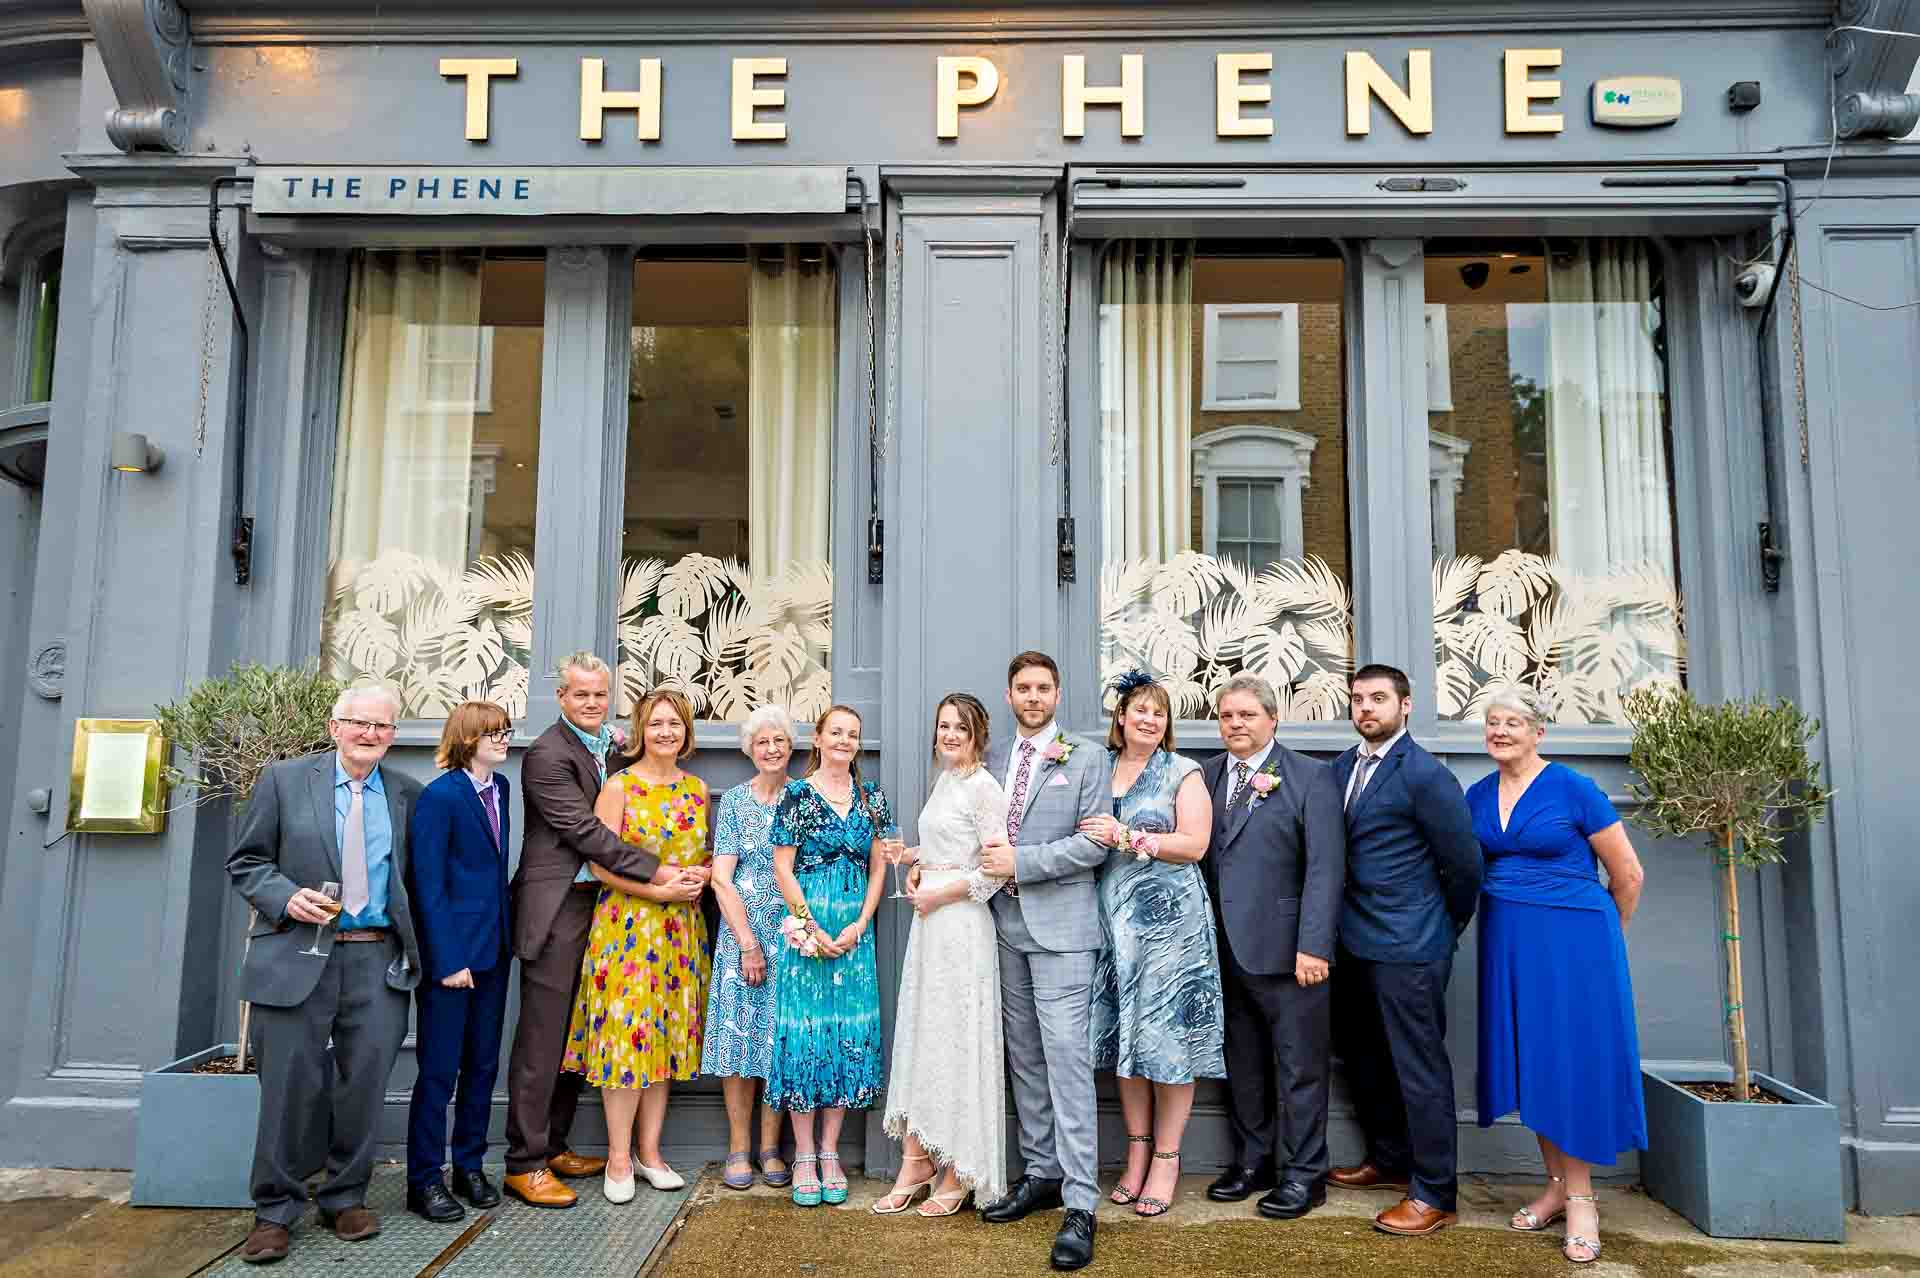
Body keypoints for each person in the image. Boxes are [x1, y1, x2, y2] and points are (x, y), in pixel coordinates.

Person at [226, 684, 424, 1264]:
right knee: (288, 1086)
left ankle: (345, 1196)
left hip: (376, 957)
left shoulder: (408, 795)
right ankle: (274, 1211)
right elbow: (247, 862)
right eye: (359, 723)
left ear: (393, 735)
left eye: (383, 727)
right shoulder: (285, 781)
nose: (370, 734)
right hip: (297, 951)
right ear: (334, 726)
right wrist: (286, 898)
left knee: (363, 1083)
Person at [503, 652, 688, 1210]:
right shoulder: (546, 755)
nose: (591, 703)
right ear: (561, 698)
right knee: (542, 1037)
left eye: (600, 694)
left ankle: (554, 1146)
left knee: (575, 1036)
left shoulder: (609, 746)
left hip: (607, 912)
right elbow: (585, 832)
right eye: (580, 694)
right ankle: (524, 1162)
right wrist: (657, 871)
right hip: (559, 908)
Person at [1470, 685, 1646, 1266]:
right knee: (1536, 1062)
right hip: (1510, 943)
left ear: (1537, 731)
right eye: (1492, 723)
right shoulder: (1476, 795)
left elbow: (1629, 874)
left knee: (1572, 1063)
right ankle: (1554, 1186)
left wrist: (1601, 939)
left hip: (1577, 944)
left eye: (1512, 723)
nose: (1500, 731)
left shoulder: (1575, 788)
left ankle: (1582, 1198)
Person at [1326, 665, 1482, 1238]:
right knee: (1366, 1059)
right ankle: (1389, 1160)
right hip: (1354, 942)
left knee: (1419, 1069)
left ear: (1406, 705)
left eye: (1378, 699)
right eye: (1358, 699)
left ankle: (1435, 1192)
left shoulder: (1424, 773)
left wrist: (1442, 926)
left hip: (1412, 945)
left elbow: (1464, 865)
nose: (1366, 708)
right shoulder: (1342, 768)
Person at [977, 651, 1112, 1273]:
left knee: (1067, 1065)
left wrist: (1022, 865)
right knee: (1025, 1060)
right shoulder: (993, 758)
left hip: (1062, 930)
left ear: (1057, 694)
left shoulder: (1085, 757)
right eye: (1023, 689)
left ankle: (1082, 1203)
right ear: (1009, 696)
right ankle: (1042, 1173)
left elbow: (1092, 843)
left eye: (1043, 688)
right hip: (1002, 928)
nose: (1033, 697)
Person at [1200, 674, 1346, 1223]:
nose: (1235, 724)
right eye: (1227, 716)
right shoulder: (1208, 775)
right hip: (1225, 951)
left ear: (1272, 718)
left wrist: (1314, 946)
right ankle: (1253, 1162)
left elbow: (1326, 868)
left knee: (1300, 1068)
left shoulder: (1310, 776)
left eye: (1246, 715)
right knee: (1245, 1065)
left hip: (1291, 953)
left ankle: (1306, 1174)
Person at [1078, 670, 1223, 1218]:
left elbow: (1195, 844)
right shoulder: (1100, 768)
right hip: (1113, 924)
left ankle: (1167, 1156)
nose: (1148, 719)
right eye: (1138, 709)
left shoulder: (1180, 771)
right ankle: (1135, 1152)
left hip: (1170, 926)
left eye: (1158, 712)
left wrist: (1132, 838)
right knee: (1125, 1036)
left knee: (1167, 1039)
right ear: (1120, 718)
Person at [562, 688, 711, 1202]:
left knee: (663, 1043)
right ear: (640, 732)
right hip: (627, 928)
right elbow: (599, 863)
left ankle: (651, 1153)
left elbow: (705, 855)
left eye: (675, 724)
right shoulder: (619, 786)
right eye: (656, 724)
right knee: (628, 1041)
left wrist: (701, 876)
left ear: (687, 731)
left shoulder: (697, 788)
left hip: (680, 934)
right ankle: (619, 1158)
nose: (666, 732)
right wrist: (658, 889)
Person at [876, 693, 1011, 1218]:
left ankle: (956, 1169)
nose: (949, 734)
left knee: (955, 1041)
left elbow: (996, 869)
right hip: (930, 928)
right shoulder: (946, 781)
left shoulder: (983, 788)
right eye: (943, 726)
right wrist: (913, 861)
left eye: (959, 727)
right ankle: (916, 1159)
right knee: (925, 1036)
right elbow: (949, 849)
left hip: (960, 929)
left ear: (977, 732)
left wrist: (939, 892)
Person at [765, 704, 891, 1208]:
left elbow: (881, 866)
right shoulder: (796, 794)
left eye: (853, 734)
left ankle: (831, 1151)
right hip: (807, 934)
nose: (844, 740)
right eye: (835, 732)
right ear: (817, 739)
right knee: (805, 1033)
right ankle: (803, 1156)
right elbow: (783, 868)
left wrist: (860, 924)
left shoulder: (870, 796)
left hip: (855, 936)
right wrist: (811, 927)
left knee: (847, 1036)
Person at [405, 701, 516, 1224]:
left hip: (494, 952)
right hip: (452, 959)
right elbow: (427, 885)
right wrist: (447, 959)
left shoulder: (502, 790)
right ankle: (423, 1178)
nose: (503, 739)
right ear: (467, 737)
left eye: (506, 731)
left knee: (482, 1067)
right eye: (493, 732)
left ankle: (468, 1166)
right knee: (438, 1071)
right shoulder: (440, 797)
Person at [703, 706, 799, 1191]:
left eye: (779, 740)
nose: (771, 749)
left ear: (791, 745)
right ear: (749, 749)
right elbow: (722, 878)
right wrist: (747, 943)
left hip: (791, 935)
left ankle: (770, 1147)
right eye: (762, 741)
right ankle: (738, 1147)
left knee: (777, 1044)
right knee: (740, 1044)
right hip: (742, 934)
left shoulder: (803, 798)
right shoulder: (737, 801)